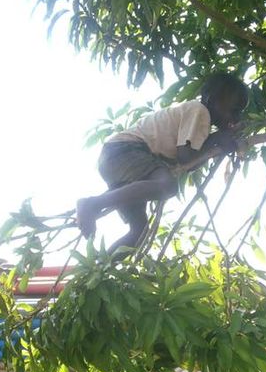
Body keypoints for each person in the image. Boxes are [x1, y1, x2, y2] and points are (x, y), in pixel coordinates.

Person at [75, 73, 248, 252]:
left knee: (139, 231)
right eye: (234, 109)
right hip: (127, 151)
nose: (236, 117)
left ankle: (102, 266)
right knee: (167, 186)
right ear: (212, 99)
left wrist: (217, 140)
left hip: (117, 158)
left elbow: (189, 165)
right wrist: (217, 138)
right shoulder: (200, 111)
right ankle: (92, 204)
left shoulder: (199, 121)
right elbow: (185, 156)